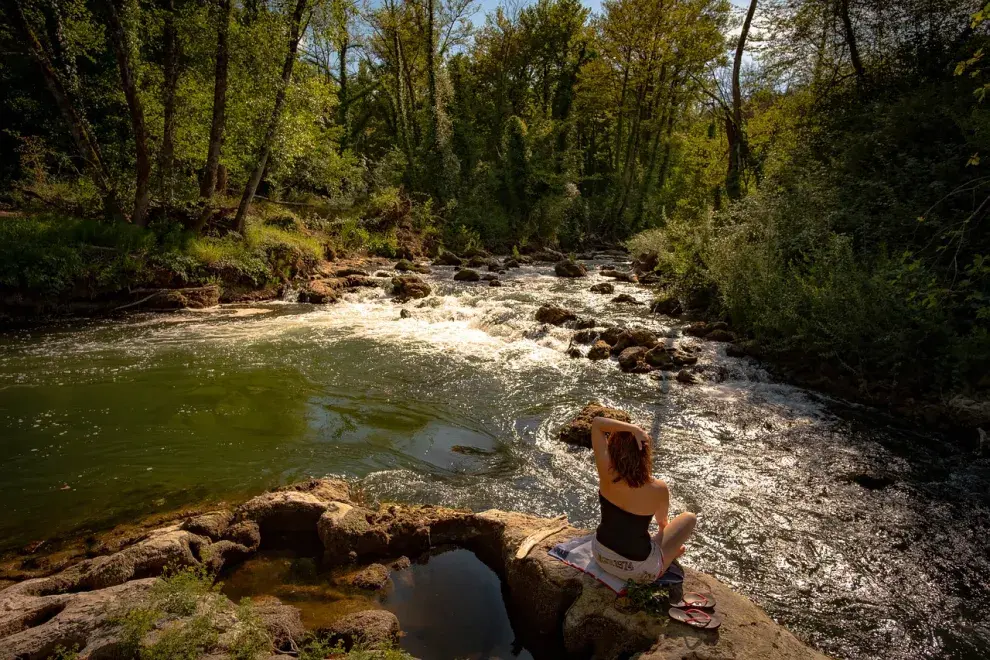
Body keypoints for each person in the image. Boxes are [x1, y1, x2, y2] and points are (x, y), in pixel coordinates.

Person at [590, 415, 696, 583]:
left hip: (601, 555)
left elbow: (597, 423)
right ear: (644, 454)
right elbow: (663, 525)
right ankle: (666, 560)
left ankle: (663, 553)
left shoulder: (605, 471)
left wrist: (633, 429)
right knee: (689, 518)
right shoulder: (658, 488)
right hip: (637, 571)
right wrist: (668, 546)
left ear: (613, 449)